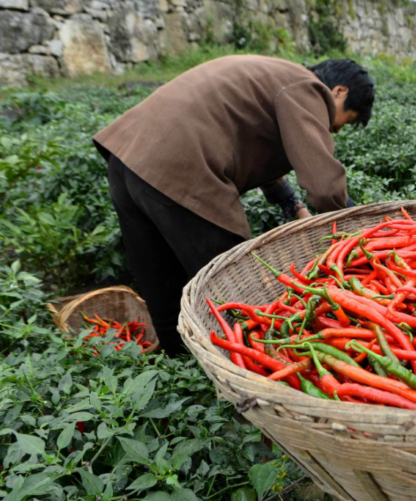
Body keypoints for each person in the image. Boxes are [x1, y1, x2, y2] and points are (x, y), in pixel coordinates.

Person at [93, 56, 375, 355]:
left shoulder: (274, 77)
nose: (335, 130)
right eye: (347, 120)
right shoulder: (308, 88)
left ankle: (178, 365)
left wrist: (293, 206)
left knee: (161, 283)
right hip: (180, 168)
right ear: (339, 92)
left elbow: (261, 149)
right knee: (237, 286)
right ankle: (253, 367)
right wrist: (353, 227)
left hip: (126, 160)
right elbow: (323, 186)